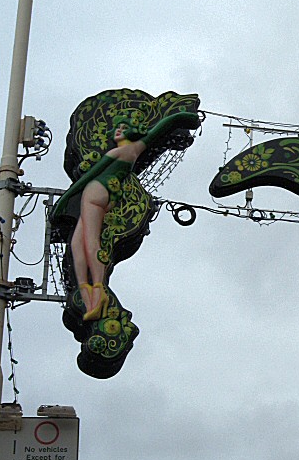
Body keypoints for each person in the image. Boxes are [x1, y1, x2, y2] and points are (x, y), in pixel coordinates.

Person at [52, 111, 198, 321]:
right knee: (77, 244)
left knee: (91, 243)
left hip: (96, 194)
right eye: (117, 128)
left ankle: (98, 291)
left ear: (132, 132)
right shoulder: (133, 149)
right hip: (98, 195)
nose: (118, 131)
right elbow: (160, 128)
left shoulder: (124, 151)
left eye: (123, 128)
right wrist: (182, 118)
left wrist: (65, 200)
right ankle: (87, 293)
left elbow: (89, 176)